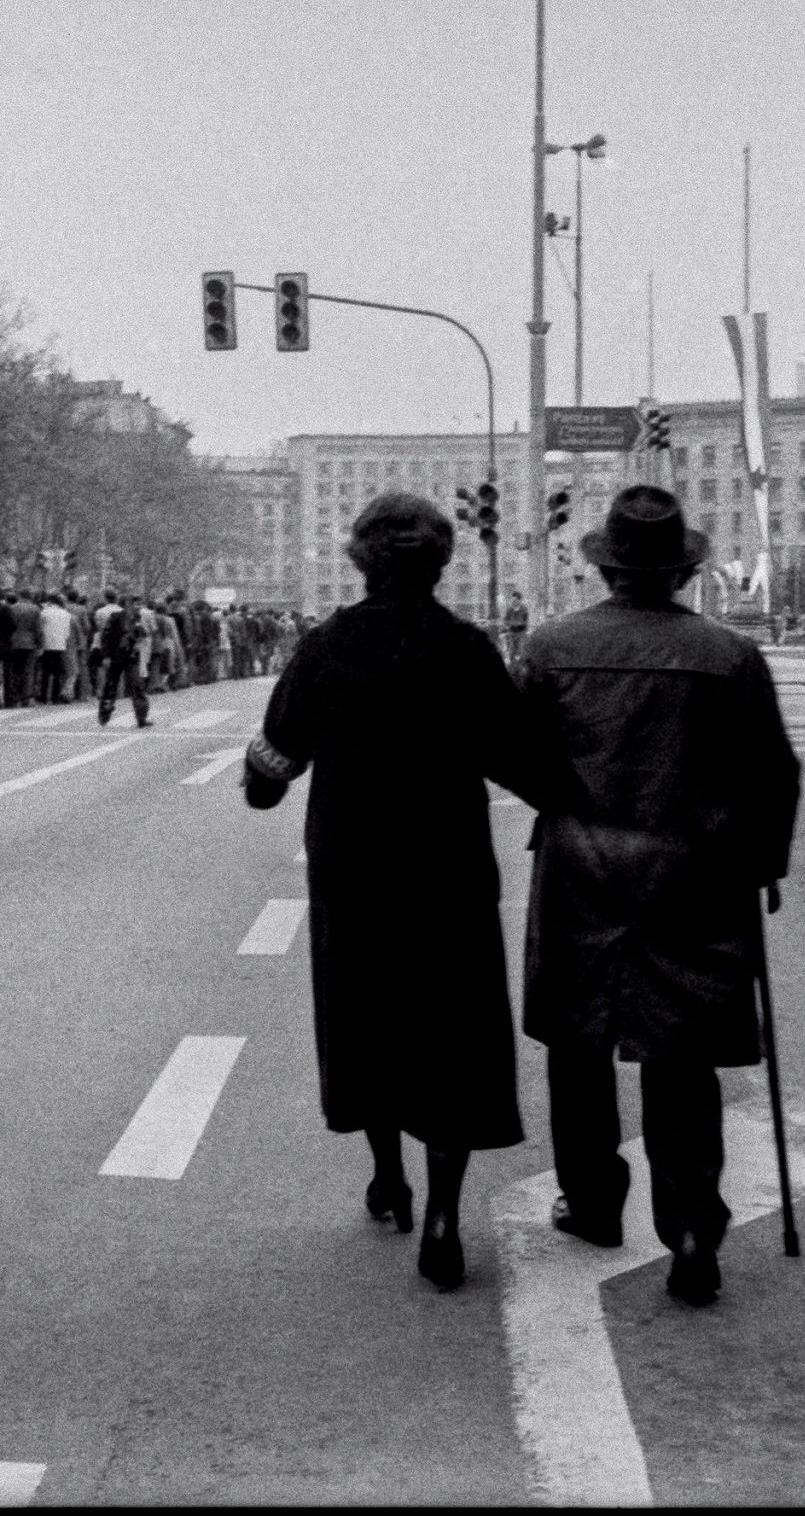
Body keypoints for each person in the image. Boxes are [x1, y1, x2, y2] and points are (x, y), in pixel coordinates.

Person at [241, 494, 575, 1292]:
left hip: (354, 872)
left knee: (369, 1021)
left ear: (361, 561)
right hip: (447, 871)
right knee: (451, 1033)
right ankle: (444, 1217)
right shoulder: (465, 650)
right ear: (441, 562)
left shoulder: (325, 647)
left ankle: (389, 1177)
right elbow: (522, 764)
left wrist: (261, 775)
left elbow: (269, 771)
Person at [515, 485, 801, 1308]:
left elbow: (515, 750)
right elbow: (772, 773)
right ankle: (688, 1227)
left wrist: (564, 798)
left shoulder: (550, 648)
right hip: (695, 869)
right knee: (681, 1054)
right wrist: (760, 861)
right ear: (681, 569)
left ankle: (595, 1203)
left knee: (578, 1043)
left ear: (607, 566)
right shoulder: (729, 656)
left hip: (580, 866)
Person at [95, 591, 154, 730]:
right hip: (115, 657)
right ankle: (104, 715)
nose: (138, 606)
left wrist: (139, 642)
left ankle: (141, 718)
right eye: (136, 603)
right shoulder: (116, 617)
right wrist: (106, 656)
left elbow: (141, 635)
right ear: (127, 604)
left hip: (131, 657)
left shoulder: (137, 618)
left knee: (137, 686)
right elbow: (105, 637)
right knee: (110, 686)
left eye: (140, 603)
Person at [36, 591, 76, 703]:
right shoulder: (66, 614)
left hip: (46, 645)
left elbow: (40, 629)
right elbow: (67, 633)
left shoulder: (44, 613)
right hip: (60, 645)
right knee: (57, 671)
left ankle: (43, 696)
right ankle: (55, 697)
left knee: (46, 671)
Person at [502, 589, 531, 665]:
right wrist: (508, 626)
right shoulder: (509, 609)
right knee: (511, 651)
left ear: (519, 600)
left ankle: (521, 667)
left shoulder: (524, 609)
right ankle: (512, 667)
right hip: (512, 632)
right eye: (512, 600)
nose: (513, 601)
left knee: (521, 650)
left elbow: (526, 620)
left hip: (521, 632)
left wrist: (524, 627)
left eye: (515, 600)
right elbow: (505, 619)